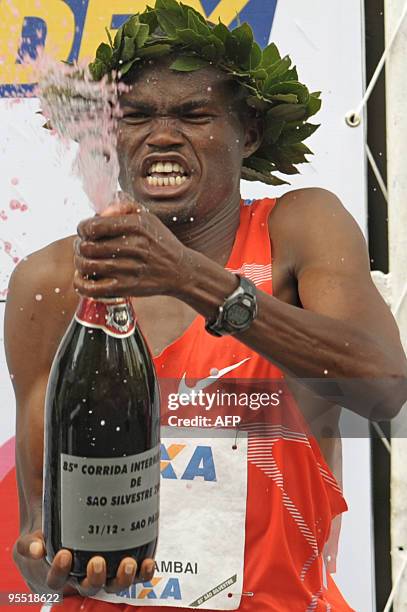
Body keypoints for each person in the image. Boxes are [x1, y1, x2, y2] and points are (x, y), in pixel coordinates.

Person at [3, 2, 407, 610]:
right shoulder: (53, 280)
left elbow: (382, 387)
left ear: (249, 133)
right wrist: (48, 564)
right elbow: (39, 526)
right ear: (111, 133)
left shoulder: (298, 229)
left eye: (194, 115)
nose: (161, 136)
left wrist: (194, 278)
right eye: (137, 115)